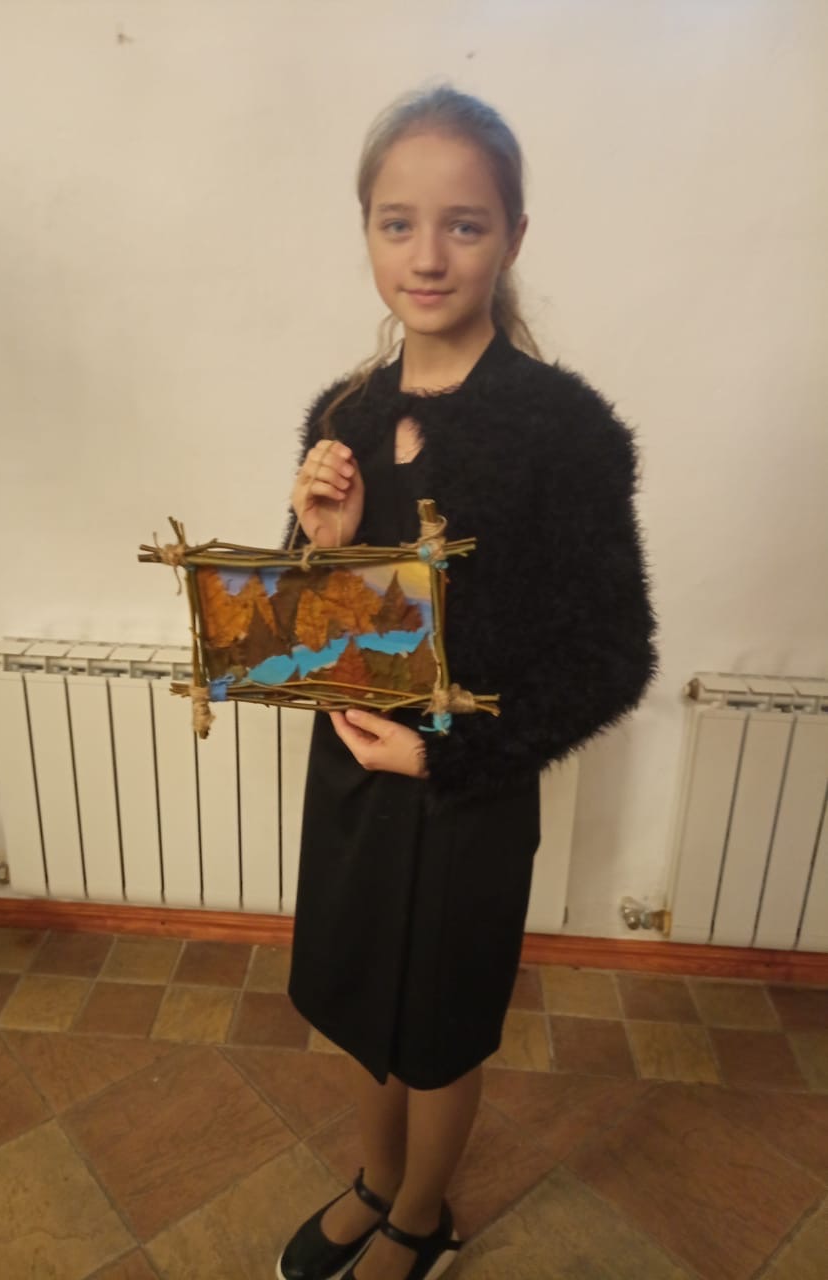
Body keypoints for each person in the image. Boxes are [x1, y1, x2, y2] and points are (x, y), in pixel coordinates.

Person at [276, 84, 658, 1280]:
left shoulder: (563, 430)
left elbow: (613, 652)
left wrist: (448, 752)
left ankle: (422, 1213)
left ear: (513, 235)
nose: (428, 256)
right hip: (353, 772)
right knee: (359, 994)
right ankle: (373, 1176)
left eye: (465, 224)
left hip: (466, 787)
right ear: (367, 230)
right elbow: (305, 627)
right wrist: (323, 546)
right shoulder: (344, 411)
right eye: (398, 223)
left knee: (439, 1022)